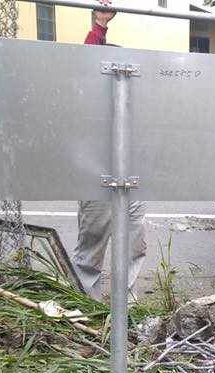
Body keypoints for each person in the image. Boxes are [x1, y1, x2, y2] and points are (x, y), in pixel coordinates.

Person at [74, 1, 148, 300]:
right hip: (97, 174)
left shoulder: (138, 99)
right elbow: (89, 56)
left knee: (134, 243)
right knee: (92, 243)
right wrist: (100, 25)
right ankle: (87, 303)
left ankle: (124, 305)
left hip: (132, 176)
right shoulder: (89, 99)